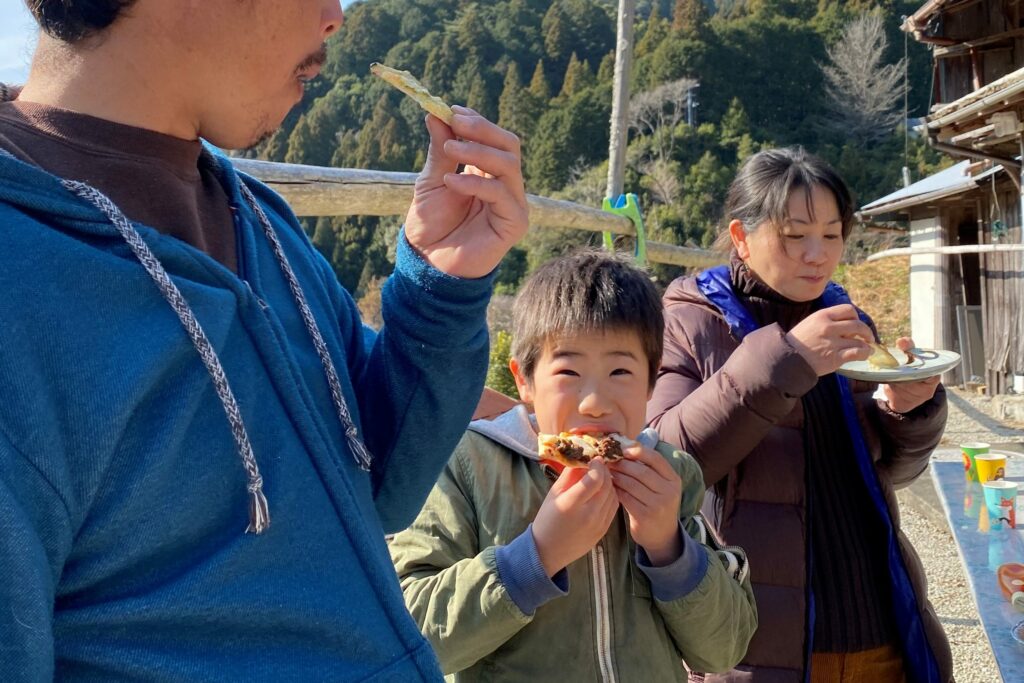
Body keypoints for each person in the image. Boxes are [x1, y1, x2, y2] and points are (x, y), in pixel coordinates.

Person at [0, 1, 527, 679]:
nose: (335, 16)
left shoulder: (257, 217)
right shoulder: (19, 284)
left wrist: (441, 287)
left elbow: (383, 481)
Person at [647, 147, 953, 683]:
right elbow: (665, 462)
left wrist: (909, 411)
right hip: (762, 643)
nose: (817, 254)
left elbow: (890, 474)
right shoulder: (689, 321)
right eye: (795, 235)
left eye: (832, 235)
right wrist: (787, 361)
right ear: (741, 237)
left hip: (881, 630)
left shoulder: (844, 316)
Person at [389, 250, 758, 682]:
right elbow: (408, 639)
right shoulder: (467, 467)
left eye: (620, 371)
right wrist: (536, 556)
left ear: (652, 381)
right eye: (568, 372)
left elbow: (724, 651)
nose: (594, 403)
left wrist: (669, 547)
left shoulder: (671, 472)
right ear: (524, 380)